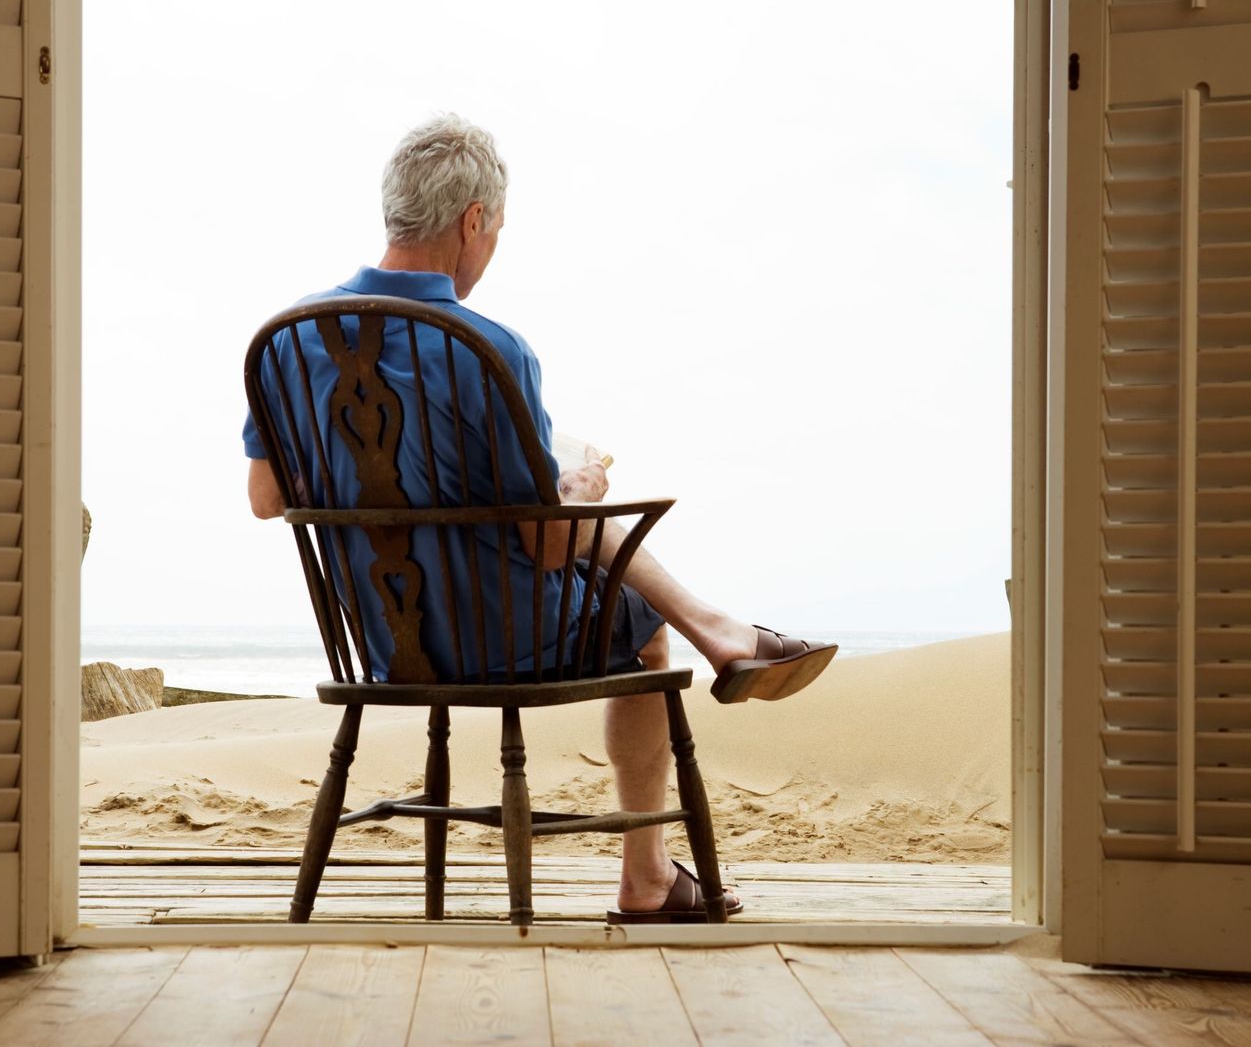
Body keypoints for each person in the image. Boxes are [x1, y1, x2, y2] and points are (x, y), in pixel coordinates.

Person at [243, 114, 836, 921]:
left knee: (562, 505)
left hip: (378, 644)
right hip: (501, 640)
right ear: (473, 221)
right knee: (637, 621)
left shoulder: (285, 342)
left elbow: (266, 499)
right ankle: (648, 875)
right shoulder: (488, 348)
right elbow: (551, 548)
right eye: (496, 230)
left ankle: (722, 632)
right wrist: (578, 489)